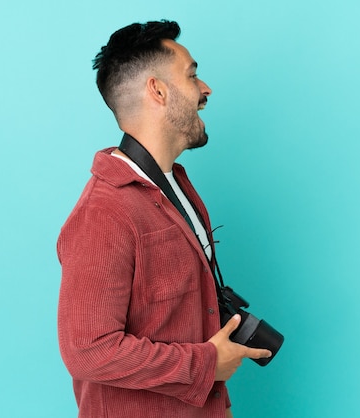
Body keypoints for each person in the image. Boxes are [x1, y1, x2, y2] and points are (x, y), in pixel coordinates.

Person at [57, 20, 271, 418]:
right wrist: (206, 364)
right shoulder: (103, 213)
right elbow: (87, 351)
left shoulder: (178, 183)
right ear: (157, 90)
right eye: (192, 75)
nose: (206, 89)